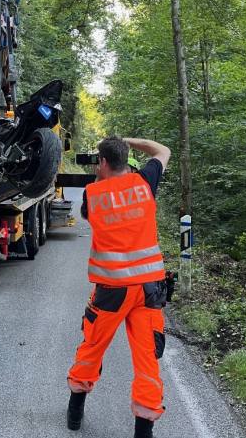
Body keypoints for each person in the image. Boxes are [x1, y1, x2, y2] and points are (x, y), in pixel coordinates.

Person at [66, 136, 171, 438]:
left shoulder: (93, 194)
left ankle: (75, 410)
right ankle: (143, 431)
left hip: (112, 290)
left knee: (92, 347)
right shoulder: (145, 182)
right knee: (147, 358)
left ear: (101, 162)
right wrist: (128, 141)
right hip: (149, 289)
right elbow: (162, 151)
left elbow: (89, 215)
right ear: (125, 158)